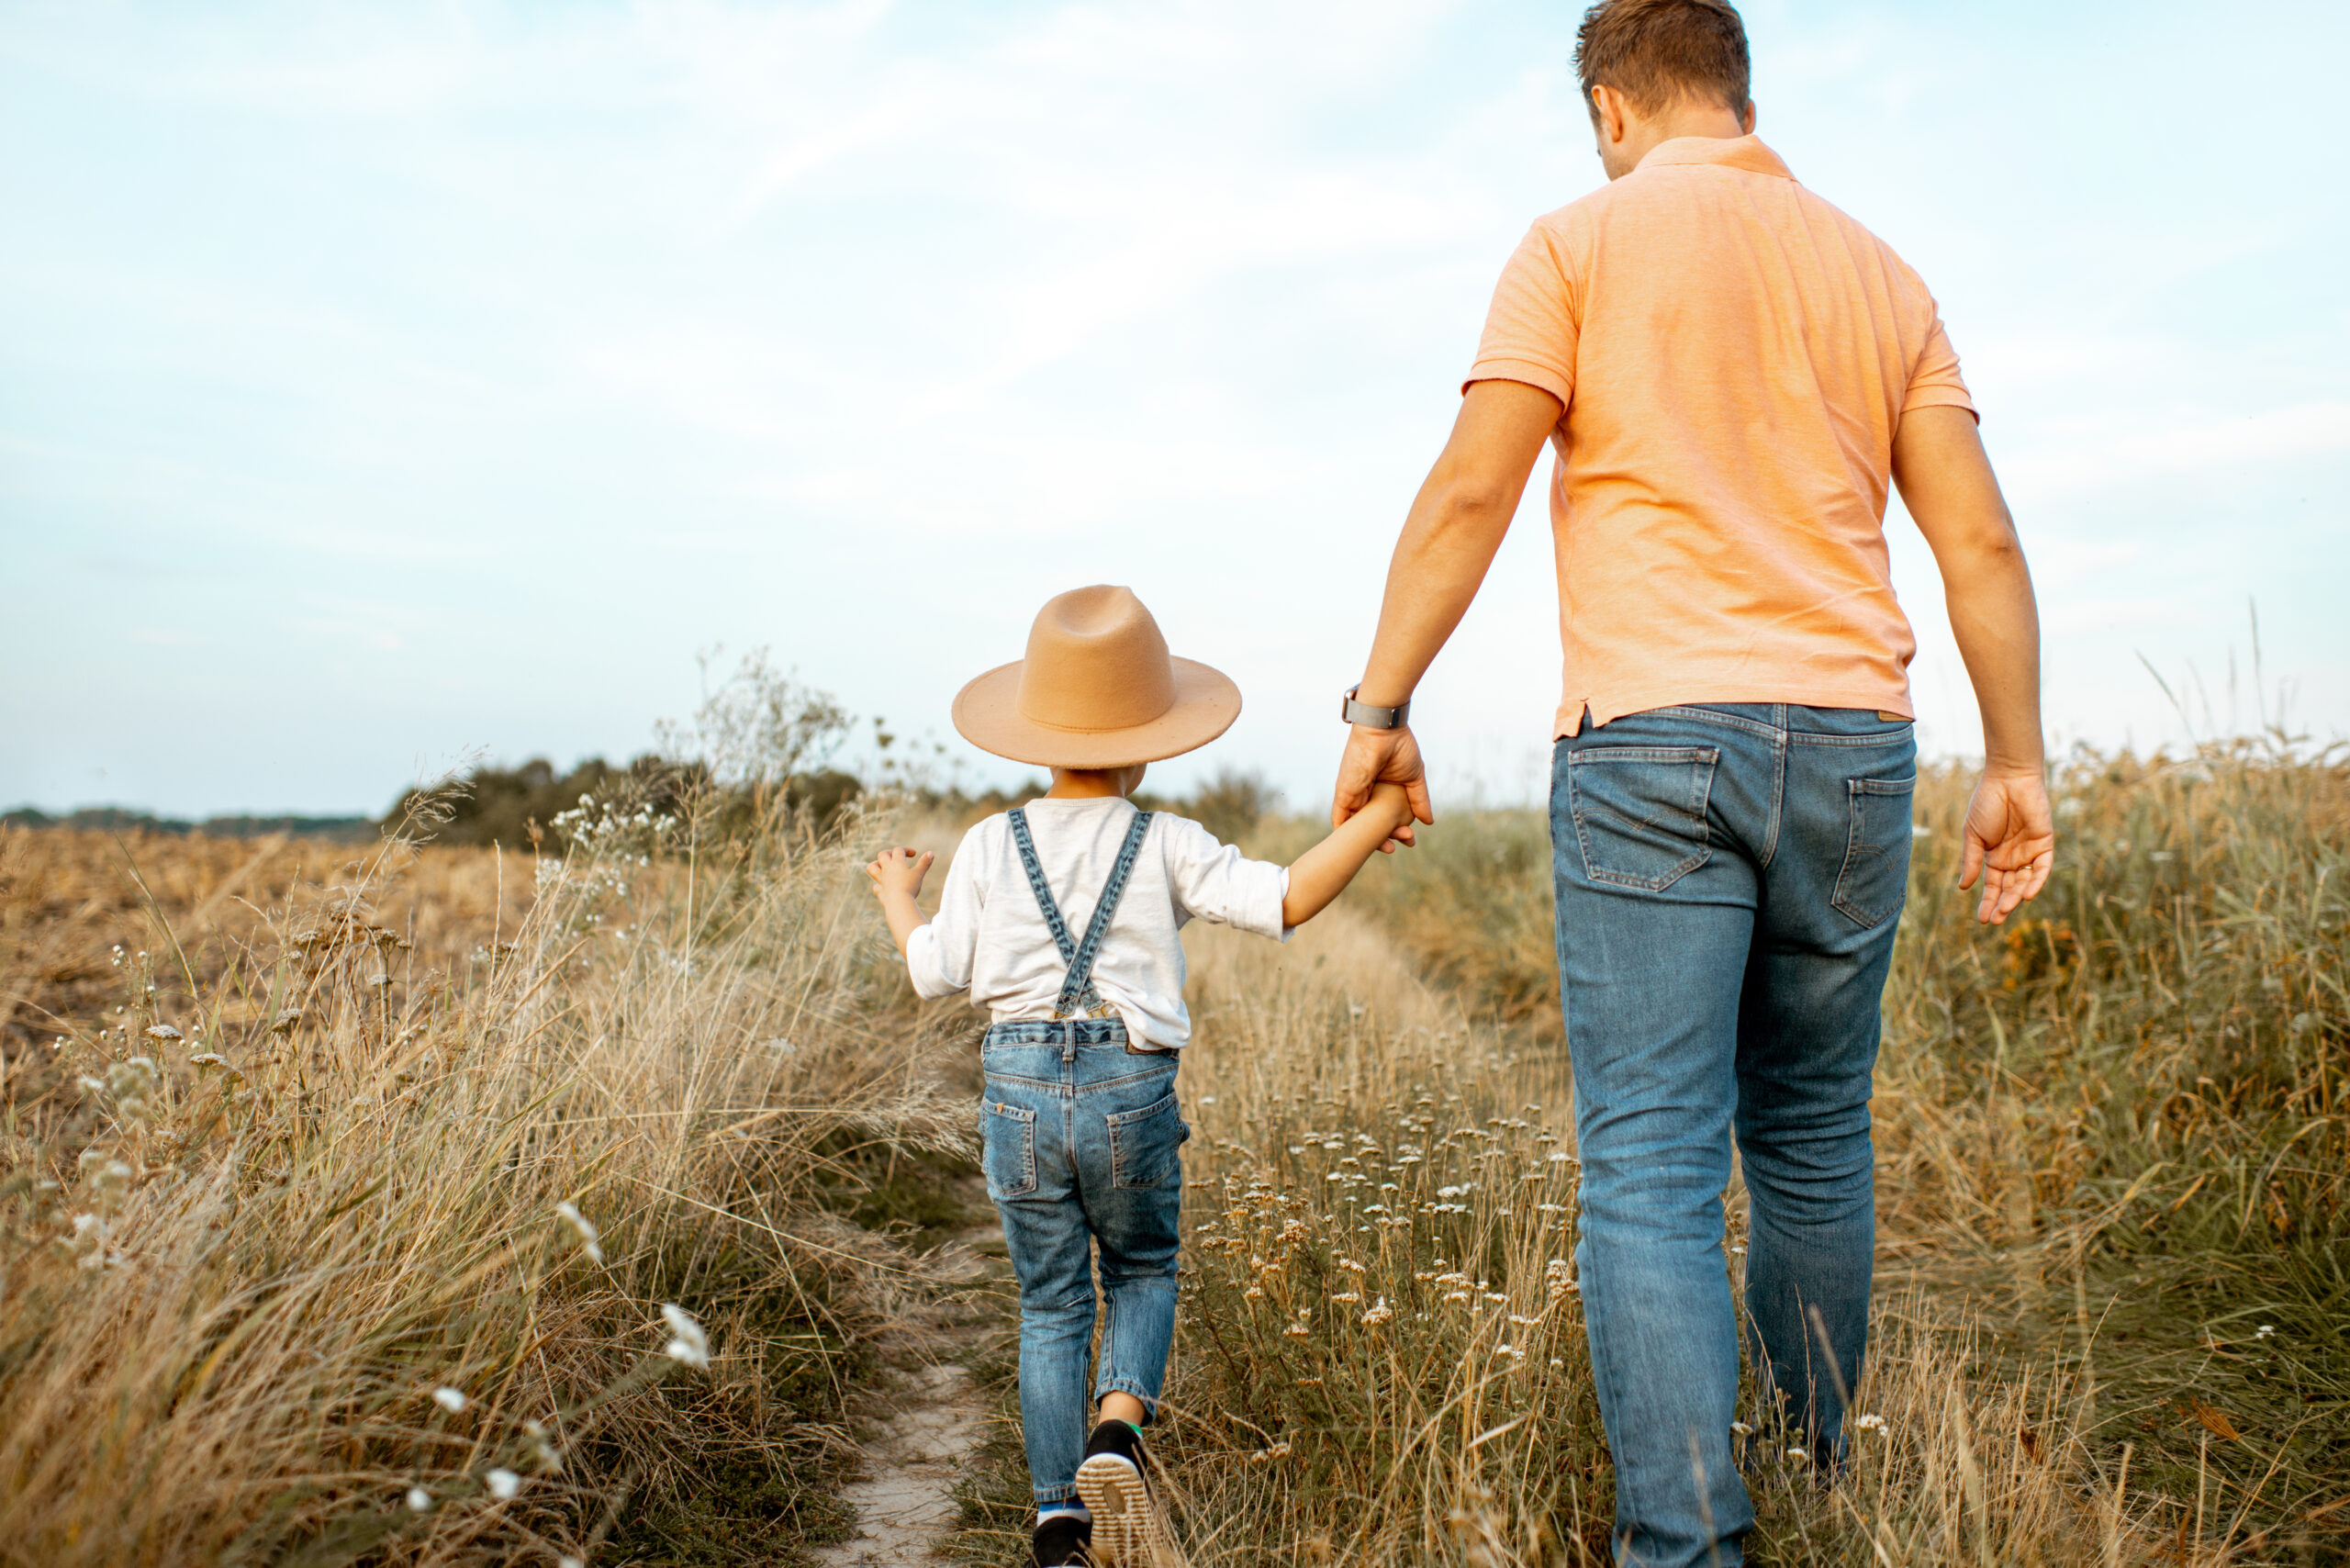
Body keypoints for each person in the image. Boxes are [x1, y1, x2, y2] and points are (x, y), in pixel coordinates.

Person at [1326, 1, 2056, 1562]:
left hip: (1653, 739)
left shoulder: (1573, 245)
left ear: (1610, 107)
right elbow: (1978, 539)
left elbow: (1474, 482)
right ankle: (1813, 1474)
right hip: (1856, 746)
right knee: (1811, 1132)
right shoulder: (1881, 270)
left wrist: (1382, 700)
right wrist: (2015, 760)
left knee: (1653, 1151)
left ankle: (1688, 1543)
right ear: (1738, 90)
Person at [867, 584, 1413, 1567]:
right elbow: (1284, 900)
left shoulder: (993, 842)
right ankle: (1115, 1434)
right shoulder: (1164, 840)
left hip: (1017, 1085)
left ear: (1036, 733)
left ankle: (1056, 1524)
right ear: (1149, 740)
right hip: (1129, 1082)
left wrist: (901, 897)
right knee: (1141, 1268)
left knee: (1048, 1302)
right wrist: (1376, 815)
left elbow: (931, 970)